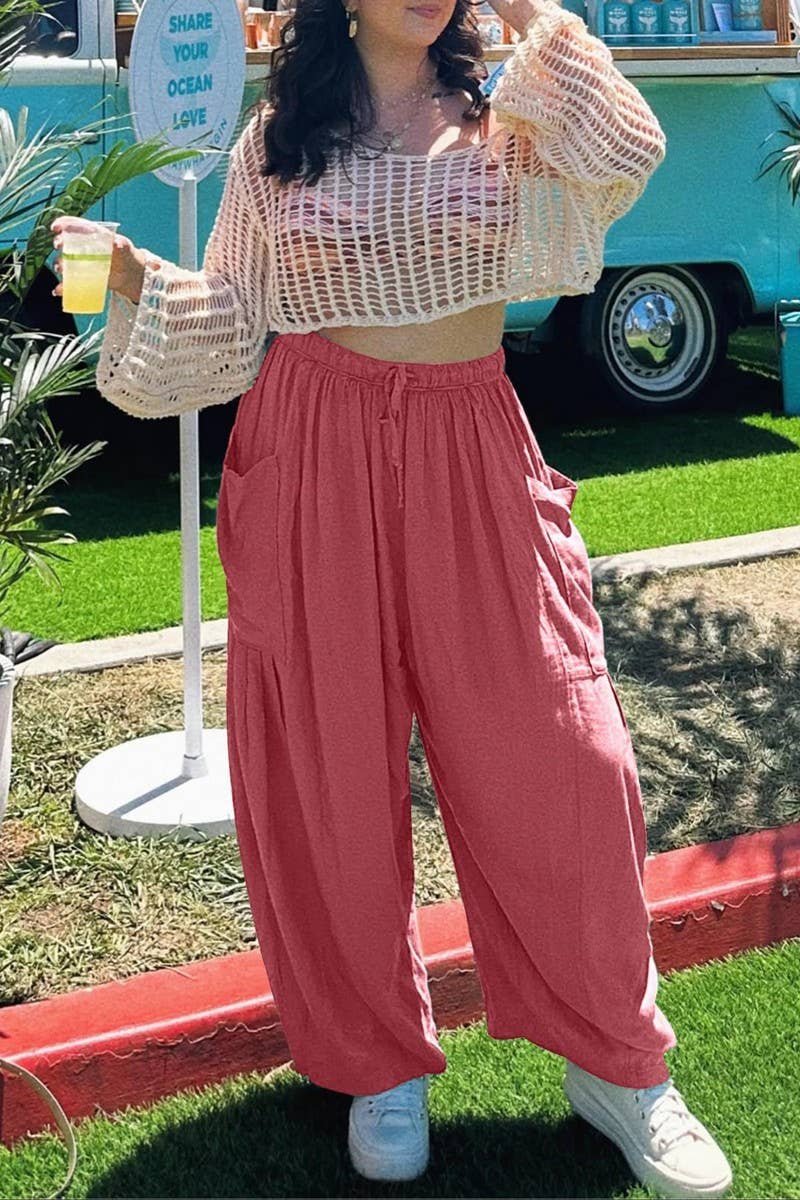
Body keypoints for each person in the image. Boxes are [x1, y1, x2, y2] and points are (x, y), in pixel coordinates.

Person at [50, 0, 733, 1195]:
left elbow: (628, 149)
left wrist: (530, 14)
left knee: (565, 757)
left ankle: (617, 1063)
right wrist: (130, 280)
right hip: (311, 448)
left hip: (474, 447)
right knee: (326, 771)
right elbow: (236, 319)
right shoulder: (278, 138)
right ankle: (376, 1061)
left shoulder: (510, 110)